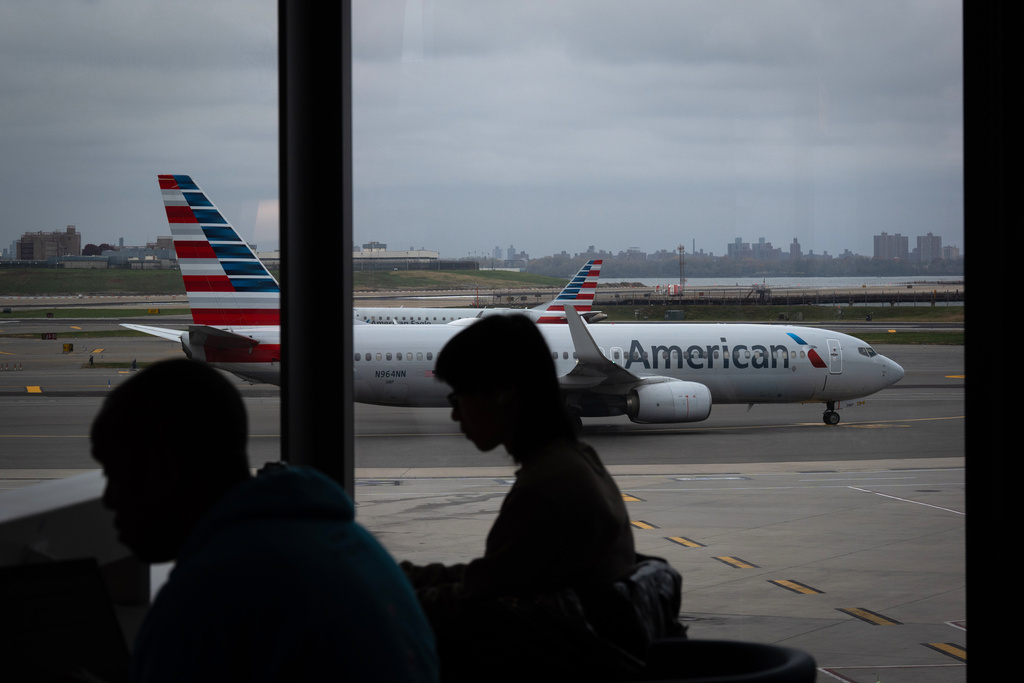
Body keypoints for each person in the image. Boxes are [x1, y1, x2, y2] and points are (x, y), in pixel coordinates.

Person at [91, 359, 438, 682]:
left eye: (117, 474)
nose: (108, 500)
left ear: (162, 470)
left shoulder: (212, 593)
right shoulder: (346, 540)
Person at [401, 314, 684, 682]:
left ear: (503, 394)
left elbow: (476, 602)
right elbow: (497, 577)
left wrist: (389, 592)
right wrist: (409, 577)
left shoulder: (547, 491)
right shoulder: (574, 463)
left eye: (459, 396)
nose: (454, 413)